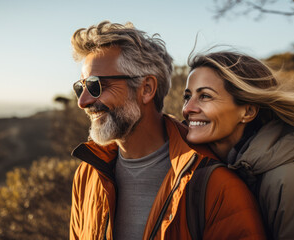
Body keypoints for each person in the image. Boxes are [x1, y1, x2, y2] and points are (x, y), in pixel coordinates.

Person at [69, 21, 266, 240]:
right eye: (81, 87)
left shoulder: (215, 186)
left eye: (96, 85)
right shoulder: (88, 174)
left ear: (147, 89)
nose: (83, 101)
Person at [182, 50, 294, 240]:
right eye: (187, 97)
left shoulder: (289, 182)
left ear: (247, 112)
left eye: (205, 96)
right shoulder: (218, 168)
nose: (188, 109)